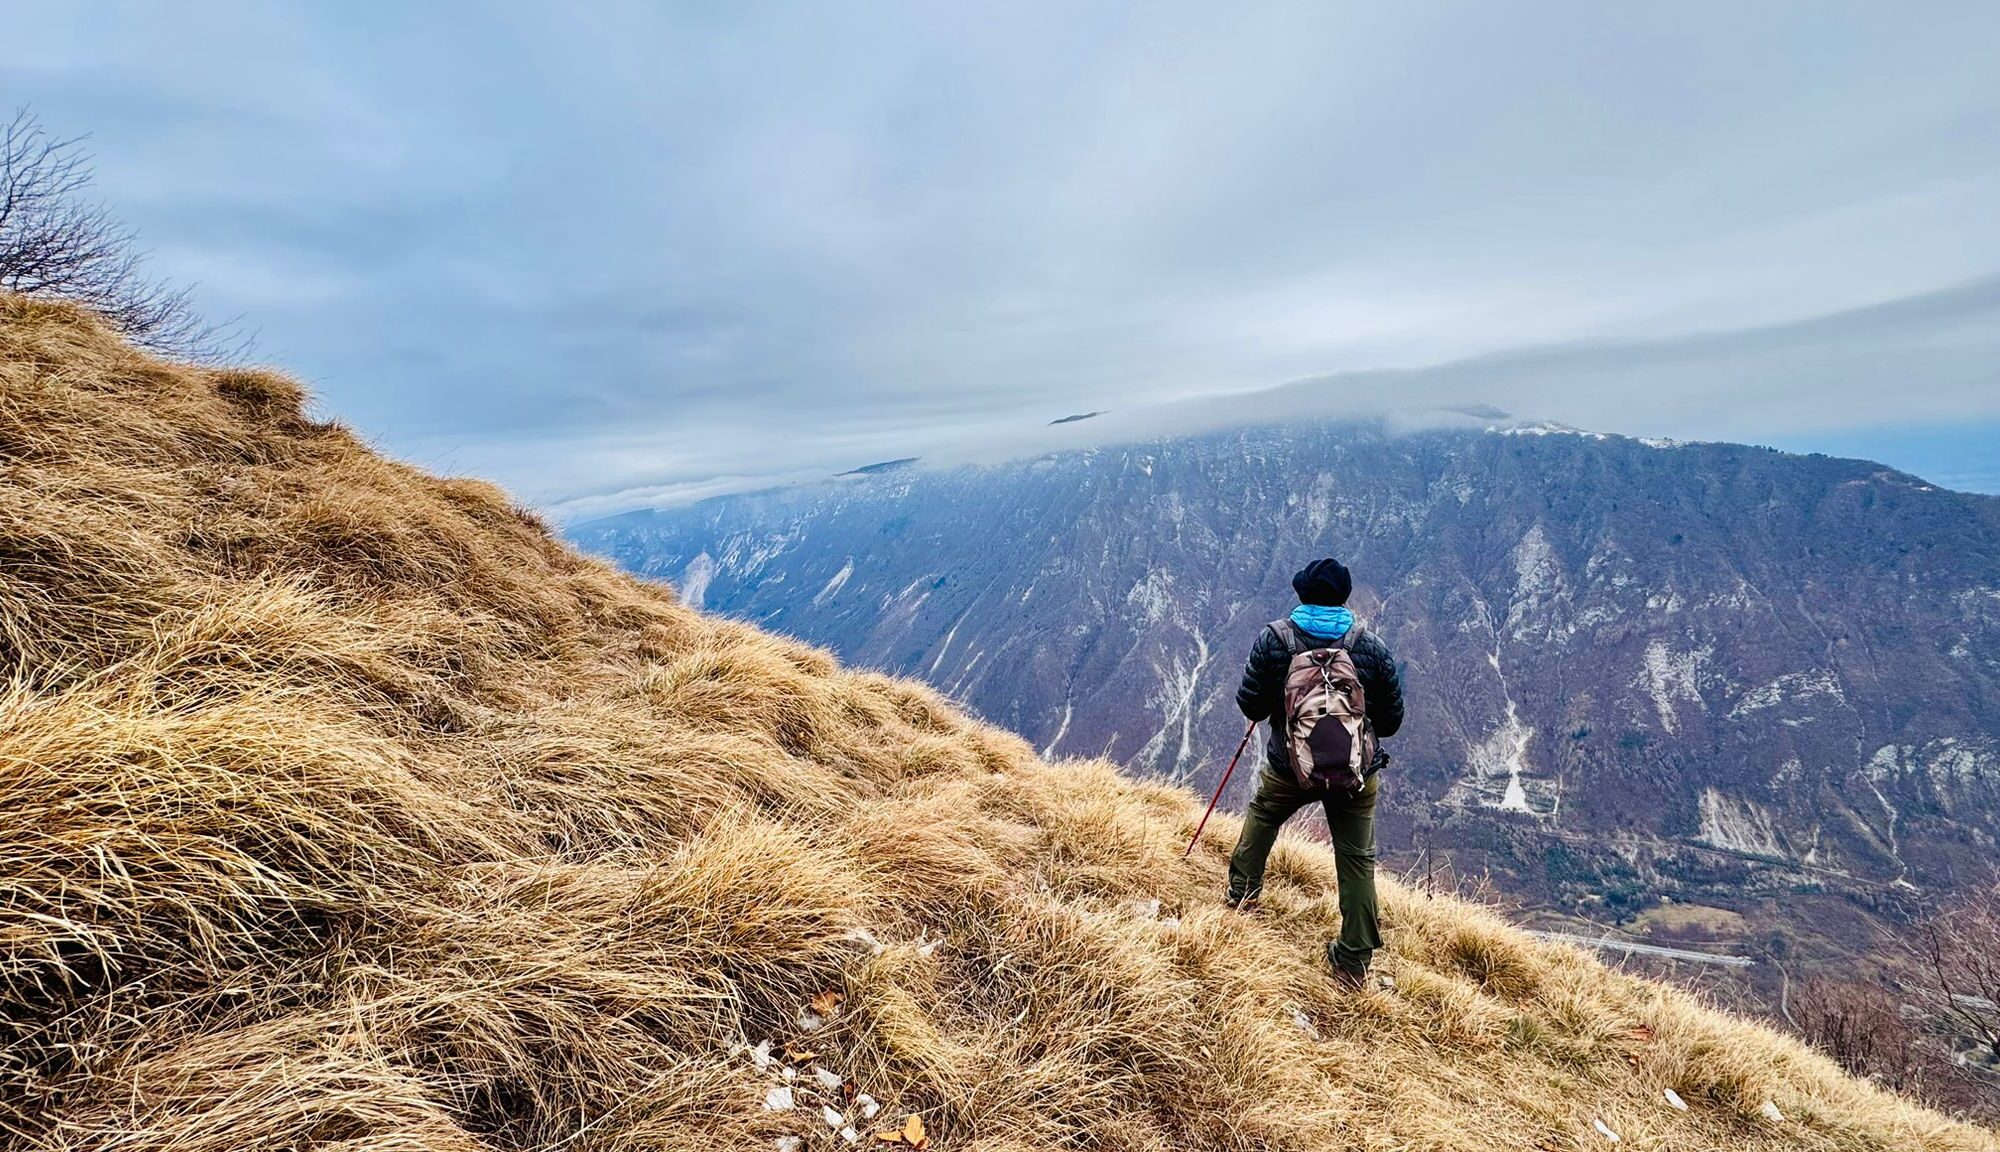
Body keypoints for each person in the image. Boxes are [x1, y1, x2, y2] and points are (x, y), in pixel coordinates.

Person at [1226, 557, 1404, 988]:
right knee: (1357, 858)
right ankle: (1354, 957)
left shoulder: (1275, 640)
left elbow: (1250, 705)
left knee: (1264, 816)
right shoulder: (1370, 647)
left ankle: (1241, 898)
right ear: (1344, 598)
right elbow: (1393, 721)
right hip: (1354, 773)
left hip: (1290, 768)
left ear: (1302, 593)